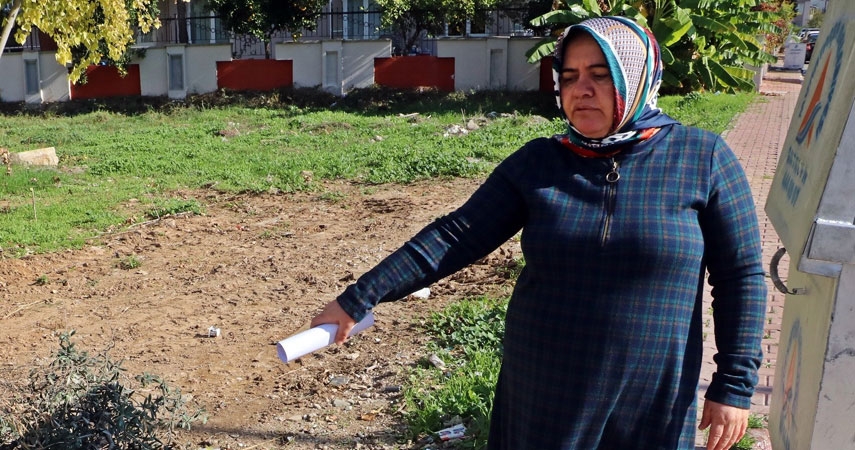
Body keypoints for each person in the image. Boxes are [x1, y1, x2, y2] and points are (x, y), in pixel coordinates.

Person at [311, 16, 767, 450]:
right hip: (545, 393)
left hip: (650, 397)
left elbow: (740, 277)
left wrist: (734, 384)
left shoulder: (701, 157)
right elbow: (454, 236)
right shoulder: (539, 162)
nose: (581, 90)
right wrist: (359, 297)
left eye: (601, 75)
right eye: (569, 77)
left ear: (636, 78)